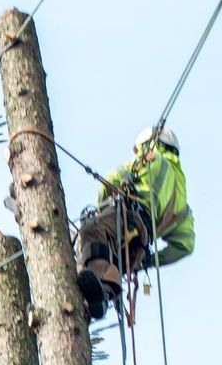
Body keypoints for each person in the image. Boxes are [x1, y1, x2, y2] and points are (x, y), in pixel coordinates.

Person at [75, 125, 195, 321]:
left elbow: (108, 182)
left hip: (126, 219)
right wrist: (150, 261)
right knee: (104, 255)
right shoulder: (182, 203)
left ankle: (97, 286)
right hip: (137, 248)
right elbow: (186, 245)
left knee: (91, 231)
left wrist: (100, 211)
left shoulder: (151, 159)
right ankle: (98, 297)